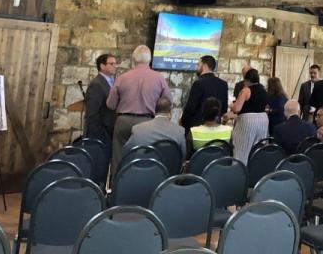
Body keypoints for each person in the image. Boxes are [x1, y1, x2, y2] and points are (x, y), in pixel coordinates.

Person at [107, 45, 171, 174]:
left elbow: (110, 105)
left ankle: (116, 189)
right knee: (144, 158)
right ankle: (139, 187)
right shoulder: (159, 78)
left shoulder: (122, 77)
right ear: (149, 60)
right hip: (147, 123)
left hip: (123, 121)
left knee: (119, 159)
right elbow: (168, 102)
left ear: (133, 59)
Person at [180, 55, 228, 143]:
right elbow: (224, 109)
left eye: (198, 65)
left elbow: (190, 108)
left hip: (198, 132)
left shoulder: (199, 83)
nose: (197, 68)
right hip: (216, 131)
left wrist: (183, 122)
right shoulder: (223, 84)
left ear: (204, 65)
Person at [230, 67, 269, 163]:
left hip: (248, 121)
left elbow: (237, 109)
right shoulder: (264, 90)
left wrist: (231, 105)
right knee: (258, 148)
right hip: (263, 120)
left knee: (242, 149)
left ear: (246, 79)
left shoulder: (246, 90)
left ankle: (240, 170)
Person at [84, 53, 117, 143]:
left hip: (110, 130)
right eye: (111, 64)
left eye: (115, 63)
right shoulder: (96, 84)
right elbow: (92, 113)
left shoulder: (114, 81)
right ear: (102, 66)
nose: (115, 66)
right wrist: (100, 133)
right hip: (100, 134)